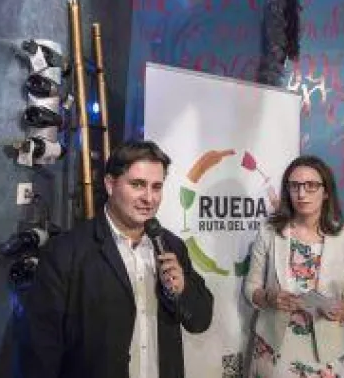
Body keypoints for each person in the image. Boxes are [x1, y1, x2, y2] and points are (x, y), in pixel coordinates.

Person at [18, 140, 214, 378]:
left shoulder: (171, 246)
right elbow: (41, 351)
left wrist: (182, 290)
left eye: (156, 187)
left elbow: (200, 320)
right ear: (110, 184)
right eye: (137, 185)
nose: (149, 198)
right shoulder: (66, 252)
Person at [243, 155, 344, 378]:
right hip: (273, 349)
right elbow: (251, 288)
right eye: (295, 186)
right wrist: (269, 297)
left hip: (326, 356)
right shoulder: (269, 232)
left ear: (326, 192)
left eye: (311, 185)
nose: (301, 194)